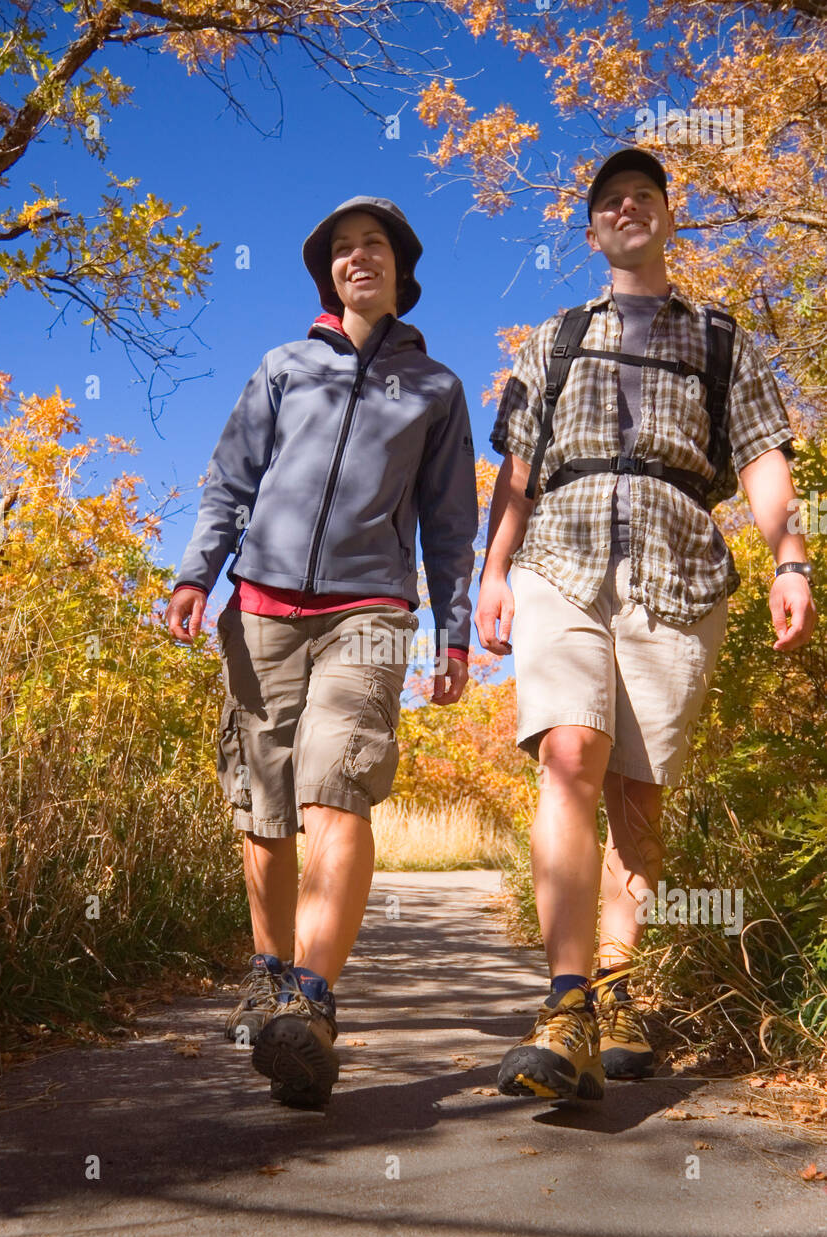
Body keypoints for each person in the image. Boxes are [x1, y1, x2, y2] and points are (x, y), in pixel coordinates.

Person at [477, 148, 816, 1102]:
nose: (629, 209)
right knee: (570, 754)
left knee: (639, 789)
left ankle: (621, 988)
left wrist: (791, 558)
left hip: (678, 571)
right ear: (593, 233)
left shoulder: (721, 340)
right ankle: (566, 1002)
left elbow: (760, 462)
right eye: (610, 202)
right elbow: (516, 473)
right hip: (561, 557)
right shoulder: (554, 339)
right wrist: (491, 576)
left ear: (670, 220)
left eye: (646, 198)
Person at [165, 196, 478, 1109]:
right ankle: (269, 975)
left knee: (334, 784)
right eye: (341, 250)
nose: (357, 259)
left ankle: (310, 1000)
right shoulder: (284, 366)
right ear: (327, 273)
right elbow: (229, 479)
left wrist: (454, 631)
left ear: (399, 265)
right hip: (260, 606)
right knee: (264, 806)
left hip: (370, 609)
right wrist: (196, 574)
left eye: (372, 245)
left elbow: (452, 525)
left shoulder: (436, 388)